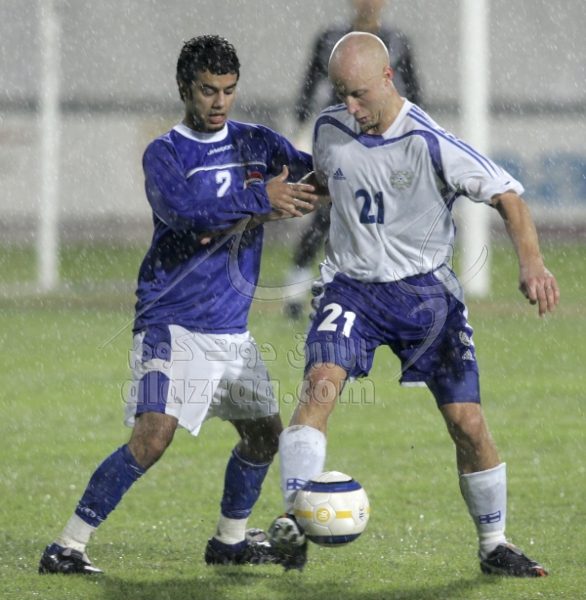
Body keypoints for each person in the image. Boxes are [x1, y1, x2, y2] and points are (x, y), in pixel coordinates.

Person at [268, 32, 558, 577]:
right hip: (351, 288)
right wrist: (284, 197)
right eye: (340, 93)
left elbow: (508, 198)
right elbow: (330, 179)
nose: (350, 107)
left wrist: (532, 264)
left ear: (388, 78)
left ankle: (494, 544)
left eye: (358, 94)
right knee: (320, 385)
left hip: (425, 295)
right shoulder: (330, 127)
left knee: (466, 422)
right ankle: (293, 520)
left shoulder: (429, 141)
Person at [38, 34, 321, 575]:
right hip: (174, 323)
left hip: (231, 330)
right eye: (208, 90)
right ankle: (67, 546)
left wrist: (359, 162)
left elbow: (316, 179)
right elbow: (189, 216)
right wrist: (260, 201)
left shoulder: (257, 142)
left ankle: (229, 541)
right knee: (151, 439)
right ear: (184, 88)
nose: (219, 102)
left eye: (229, 90)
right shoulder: (165, 153)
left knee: (265, 435)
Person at [284, 0, 423, 319]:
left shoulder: (397, 42)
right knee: (325, 214)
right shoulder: (330, 39)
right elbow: (309, 86)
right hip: (341, 140)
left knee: (384, 215)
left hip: (384, 143)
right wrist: (300, 128)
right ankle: (295, 289)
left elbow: (414, 93)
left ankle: (383, 290)